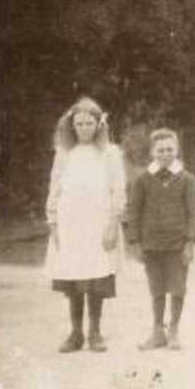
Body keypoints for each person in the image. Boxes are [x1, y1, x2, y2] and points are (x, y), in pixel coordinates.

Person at [44, 98, 126, 353]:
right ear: (71, 125)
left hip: (98, 224)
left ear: (99, 124)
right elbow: (54, 188)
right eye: (79, 123)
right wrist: (54, 223)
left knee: (96, 278)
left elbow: (118, 189)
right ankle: (76, 333)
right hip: (71, 225)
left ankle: (96, 332)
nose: (84, 128)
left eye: (89, 123)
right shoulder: (64, 153)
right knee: (74, 279)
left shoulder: (109, 153)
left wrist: (113, 223)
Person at [125, 128, 195, 352]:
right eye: (160, 150)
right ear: (152, 152)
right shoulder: (142, 180)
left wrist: (190, 243)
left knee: (177, 289)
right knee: (156, 289)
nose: (165, 154)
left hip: (177, 245)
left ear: (176, 151)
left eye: (170, 149)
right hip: (151, 245)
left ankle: (174, 330)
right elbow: (134, 212)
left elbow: (194, 213)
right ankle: (157, 332)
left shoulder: (187, 179)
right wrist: (136, 243)